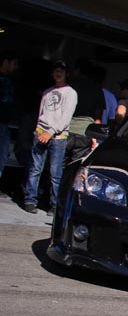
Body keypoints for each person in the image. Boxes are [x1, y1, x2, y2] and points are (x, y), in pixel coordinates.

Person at [22, 60, 77, 215]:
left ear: (67, 74)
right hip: (40, 132)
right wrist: (39, 130)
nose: (58, 73)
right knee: (34, 168)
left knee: (55, 172)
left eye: (61, 71)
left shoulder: (71, 93)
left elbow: (66, 117)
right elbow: (42, 113)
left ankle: (54, 205)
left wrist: (51, 131)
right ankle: (29, 200)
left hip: (58, 137)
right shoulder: (47, 91)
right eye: (56, 70)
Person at [64, 57, 105, 164]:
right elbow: (98, 117)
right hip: (84, 132)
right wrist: (95, 137)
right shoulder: (96, 88)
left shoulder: (68, 85)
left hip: (65, 130)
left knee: (58, 165)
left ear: (77, 70)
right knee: (75, 167)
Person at [0, 50, 19, 179]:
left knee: (2, 155)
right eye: (14, 63)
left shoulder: (11, 80)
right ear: (6, 62)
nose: (16, 67)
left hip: (5, 123)